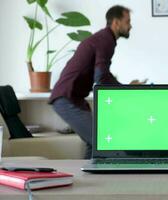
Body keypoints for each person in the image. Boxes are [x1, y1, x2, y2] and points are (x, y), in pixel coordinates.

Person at [49, 5, 144, 159]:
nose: (130, 25)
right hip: (66, 99)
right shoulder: (105, 40)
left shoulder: (105, 39)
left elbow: (102, 75)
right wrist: (126, 90)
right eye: (127, 21)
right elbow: (101, 78)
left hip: (73, 99)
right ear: (116, 22)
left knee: (93, 145)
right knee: (104, 143)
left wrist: (125, 88)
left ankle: (90, 178)